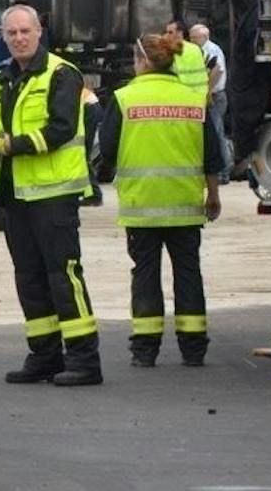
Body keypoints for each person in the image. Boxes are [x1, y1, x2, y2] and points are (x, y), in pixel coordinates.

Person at [0, 4, 102, 387]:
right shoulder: (1, 77)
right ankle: (44, 355)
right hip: (14, 194)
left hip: (55, 195)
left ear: (39, 32)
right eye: (12, 33)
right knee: (30, 278)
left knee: (63, 276)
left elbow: (58, 130)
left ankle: (85, 360)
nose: (19, 38)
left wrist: (9, 145)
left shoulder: (61, 73)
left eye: (25, 31)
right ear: (3, 37)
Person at [96, 31, 223, 368]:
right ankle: (194, 348)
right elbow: (213, 155)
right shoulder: (195, 100)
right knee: (188, 274)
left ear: (141, 61)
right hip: (185, 207)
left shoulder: (124, 99)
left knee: (145, 276)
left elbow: (106, 152)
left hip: (142, 209)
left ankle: (145, 350)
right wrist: (213, 194)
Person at [189, 23, 230, 182]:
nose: (192, 40)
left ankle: (224, 172)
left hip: (215, 96)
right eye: (191, 37)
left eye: (195, 37)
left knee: (217, 134)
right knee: (214, 134)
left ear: (205, 36)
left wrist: (207, 90)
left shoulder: (211, 50)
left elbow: (218, 70)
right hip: (212, 95)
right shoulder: (202, 50)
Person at [165, 19, 208, 95]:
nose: (167, 35)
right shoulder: (196, 48)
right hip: (201, 94)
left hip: (185, 94)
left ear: (179, 33)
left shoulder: (174, 50)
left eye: (170, 32)